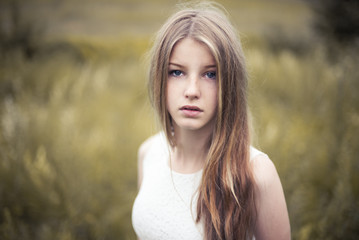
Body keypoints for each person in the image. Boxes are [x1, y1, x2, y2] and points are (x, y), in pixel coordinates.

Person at [132, 2, 290, 240]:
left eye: (210, 74)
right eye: (177, 72)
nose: (192, 91)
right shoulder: (149, 153)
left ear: (230, 84)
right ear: (159, 79)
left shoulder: (257, 174)